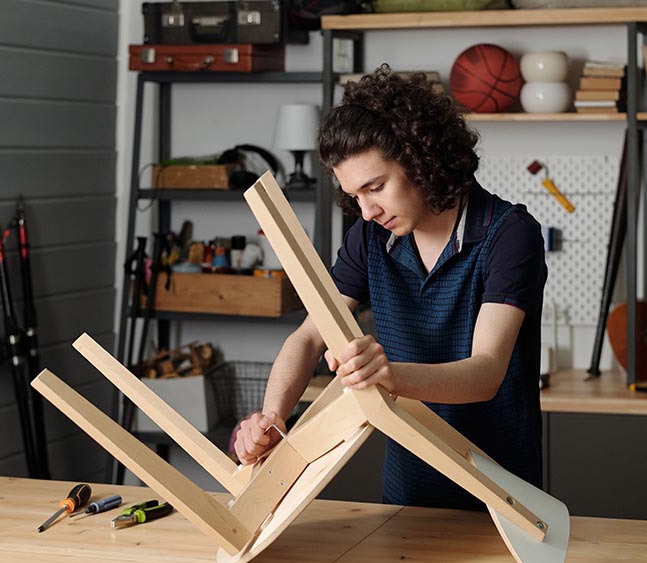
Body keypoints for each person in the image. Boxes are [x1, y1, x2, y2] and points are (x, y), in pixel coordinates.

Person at [233, 65, 548, 510]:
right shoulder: (371, 237)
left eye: (376, 187)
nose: (366, 211)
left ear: (422, 158)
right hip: (407, 492)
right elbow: (308, 338)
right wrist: (271, 420)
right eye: (355, 195)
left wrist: (388, 375)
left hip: (501, 498)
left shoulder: (508, 234)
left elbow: (485, 373)